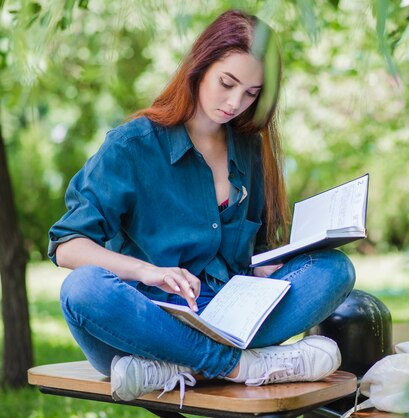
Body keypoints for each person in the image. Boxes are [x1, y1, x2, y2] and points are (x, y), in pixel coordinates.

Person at [48, 9, 355, 405]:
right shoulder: (132, 146)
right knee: (82, 288)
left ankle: (182, 369)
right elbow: (68, 246)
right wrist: (149, 271)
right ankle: (243, 367)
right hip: (148, 324)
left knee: (335, 269)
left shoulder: (248, 148)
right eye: (227, 83)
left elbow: (255, 248)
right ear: (199, 66)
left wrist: (265, 262)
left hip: (232, 317)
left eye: (251, 93)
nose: (235, 102)